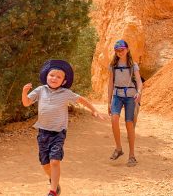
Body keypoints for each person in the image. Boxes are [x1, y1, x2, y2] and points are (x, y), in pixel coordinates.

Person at [22, 59, 106, 196]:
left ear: (64, 81)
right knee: (45, 164)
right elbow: (26, 103)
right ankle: (53, 180)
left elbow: (81, 100)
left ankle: (53, 191)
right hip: (43, 132)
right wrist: (24, 92)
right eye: (52, 75)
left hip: (58, 133)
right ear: (46, 76)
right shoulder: (40, 90)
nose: (54, 78)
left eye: (58, 76)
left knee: (55, 161)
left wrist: (94, 110)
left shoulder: (65, 93)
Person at [107, 39, 143, 167]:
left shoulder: (133, 65)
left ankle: (132, 155)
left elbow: (139, 81)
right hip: (117, 96)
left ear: (127, 50)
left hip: (130, 97)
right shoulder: (113, 65)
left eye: (122, 50)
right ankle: (118, 148)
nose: (119, 52)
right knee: (114, 119)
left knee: (129, 125)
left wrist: (138, 92)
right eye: (117, 50)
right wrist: (108, 101)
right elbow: (110, 83)